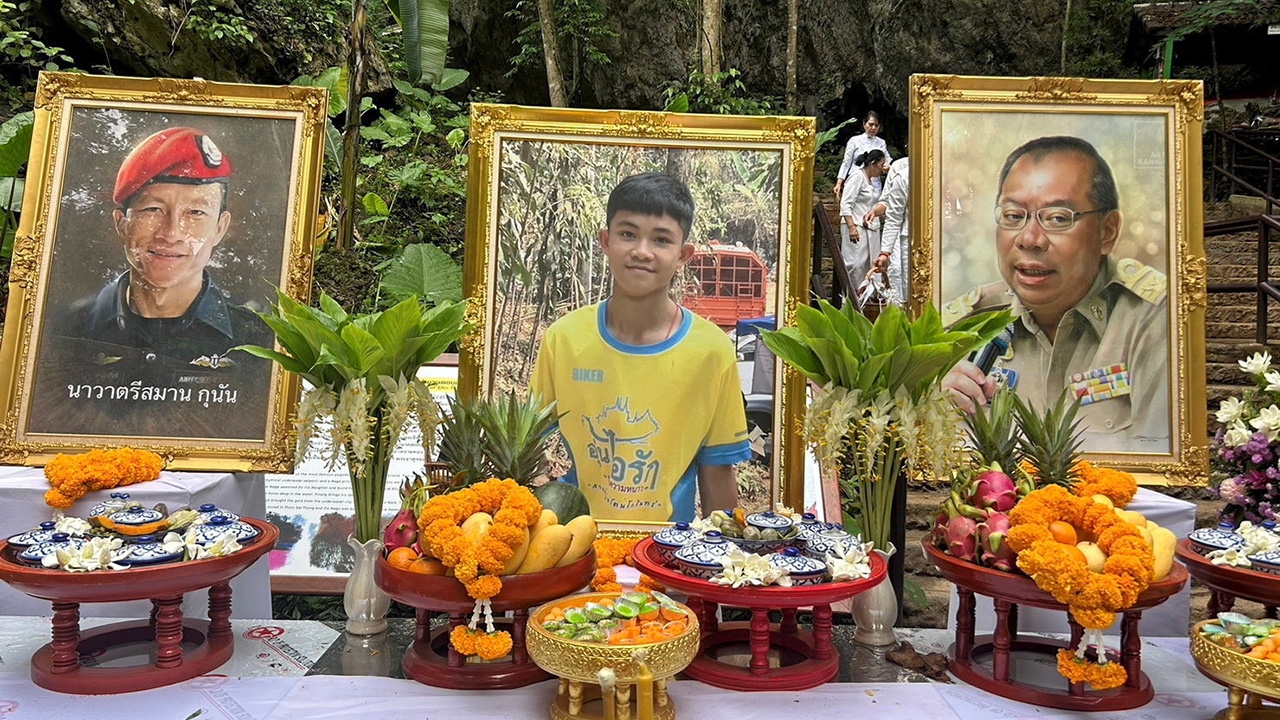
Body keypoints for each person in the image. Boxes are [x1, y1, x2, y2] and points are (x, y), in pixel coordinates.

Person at [531, 172, 752, 523]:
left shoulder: (712, 352)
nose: (641, 252)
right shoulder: (564, 339)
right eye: (628, 234)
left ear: (684, 254)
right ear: (605, 240)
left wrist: (722, 562)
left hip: (668, 555)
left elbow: (717, 474)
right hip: (575, 550)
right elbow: (527, 453)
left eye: (661, 240)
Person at [30, 126, 274, 440]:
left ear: (220, 228)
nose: (171, 232)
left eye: (196, 212)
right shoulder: (59, 330)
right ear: (121, 224)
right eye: (152, 209)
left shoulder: (259, 342)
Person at [942, 136, 1169, 452]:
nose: (1030, 239)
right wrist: (933, 411)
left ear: (1107, 231)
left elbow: (1160, 462)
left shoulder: (1152, 317)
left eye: (1058, 218)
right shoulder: (963, 325)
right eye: (1012, 216)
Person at [839, 149, 889, 297]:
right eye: (881, 165)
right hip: (855, 226)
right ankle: (850, 297)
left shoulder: (871, 181)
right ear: (873, 164)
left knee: (868, 264)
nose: (882, 168)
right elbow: (846, 204)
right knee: (855, 264)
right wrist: (852, 227)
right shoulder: (856, 177)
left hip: (869, 228)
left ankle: (866, 296)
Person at [863, 156, 910, 305]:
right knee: (899, 276)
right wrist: (885, 252)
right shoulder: (902, 171)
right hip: (905, 235)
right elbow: (889, 206)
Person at [833, 111, 891, 198]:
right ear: (864, 124)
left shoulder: (881, 142)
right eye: (870, 124)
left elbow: (887, 159)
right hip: (856, 177)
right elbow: (846, 162)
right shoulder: (854, 141)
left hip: (874, 180)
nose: (873, 128)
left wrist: (887, 167)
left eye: (876, 125)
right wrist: (839, 183)